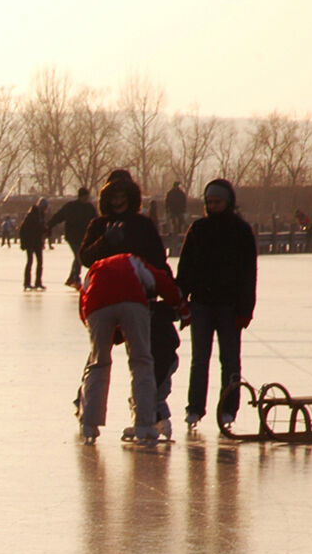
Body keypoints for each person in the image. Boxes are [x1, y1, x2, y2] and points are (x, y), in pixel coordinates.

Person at [79, 170, 181, 438]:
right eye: (113, 196)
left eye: (122, 196)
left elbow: (159, 262)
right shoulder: (99, 226)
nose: (117, 202)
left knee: (145, 357)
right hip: (107, 299)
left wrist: (171, 296)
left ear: (131, 197)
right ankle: (91, 418)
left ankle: (147, 418)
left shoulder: (142, 225)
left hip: (138, 298)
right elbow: (86, 258)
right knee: (106, 359)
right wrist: (105, 242)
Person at [75, 250, 189, 444]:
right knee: (141, 362)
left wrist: (105, 335)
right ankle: (143, 425)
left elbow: (84, 302)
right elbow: (159, 281)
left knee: (98, 363)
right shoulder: (134, 261)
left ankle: (89, 424)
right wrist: (181, 307)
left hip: (96, 305)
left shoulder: (94, 269)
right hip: (131, 300)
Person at [177, 178, 257, 431]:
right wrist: (181, 301)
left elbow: (248, 274)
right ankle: (194, 408)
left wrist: (246, 310)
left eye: (218, 202)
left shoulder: (240, 231)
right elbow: (186, 269)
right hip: (200, 304)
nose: (213, 206)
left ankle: (228, 409)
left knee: (230, 360)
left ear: (228, 202)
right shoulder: (198, 229)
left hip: (230, 307)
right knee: (199, 359)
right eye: (209, 202)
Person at [48, 187, 97, 287]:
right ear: (81, 196)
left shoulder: (89, 208)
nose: (86, 198)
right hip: (72, 237)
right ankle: (75, 277)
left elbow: (96, 221)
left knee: (78, 257)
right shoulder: (71, 207)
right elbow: (59, 216)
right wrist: (49, 226)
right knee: (78, 256)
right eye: (85, 196)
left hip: (83, 237)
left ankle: (72, 278)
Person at [18, 198, 48, 290]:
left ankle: (38, 282)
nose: (45, 209)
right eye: (44, 207)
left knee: (40, 262)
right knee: (30, 262)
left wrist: (46, 231)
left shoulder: (41, 215)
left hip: (37, 242)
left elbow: (40, 228)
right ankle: (27, 283)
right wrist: (23, 243)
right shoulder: (31, 215)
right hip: (30, 242)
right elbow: (23, 229)